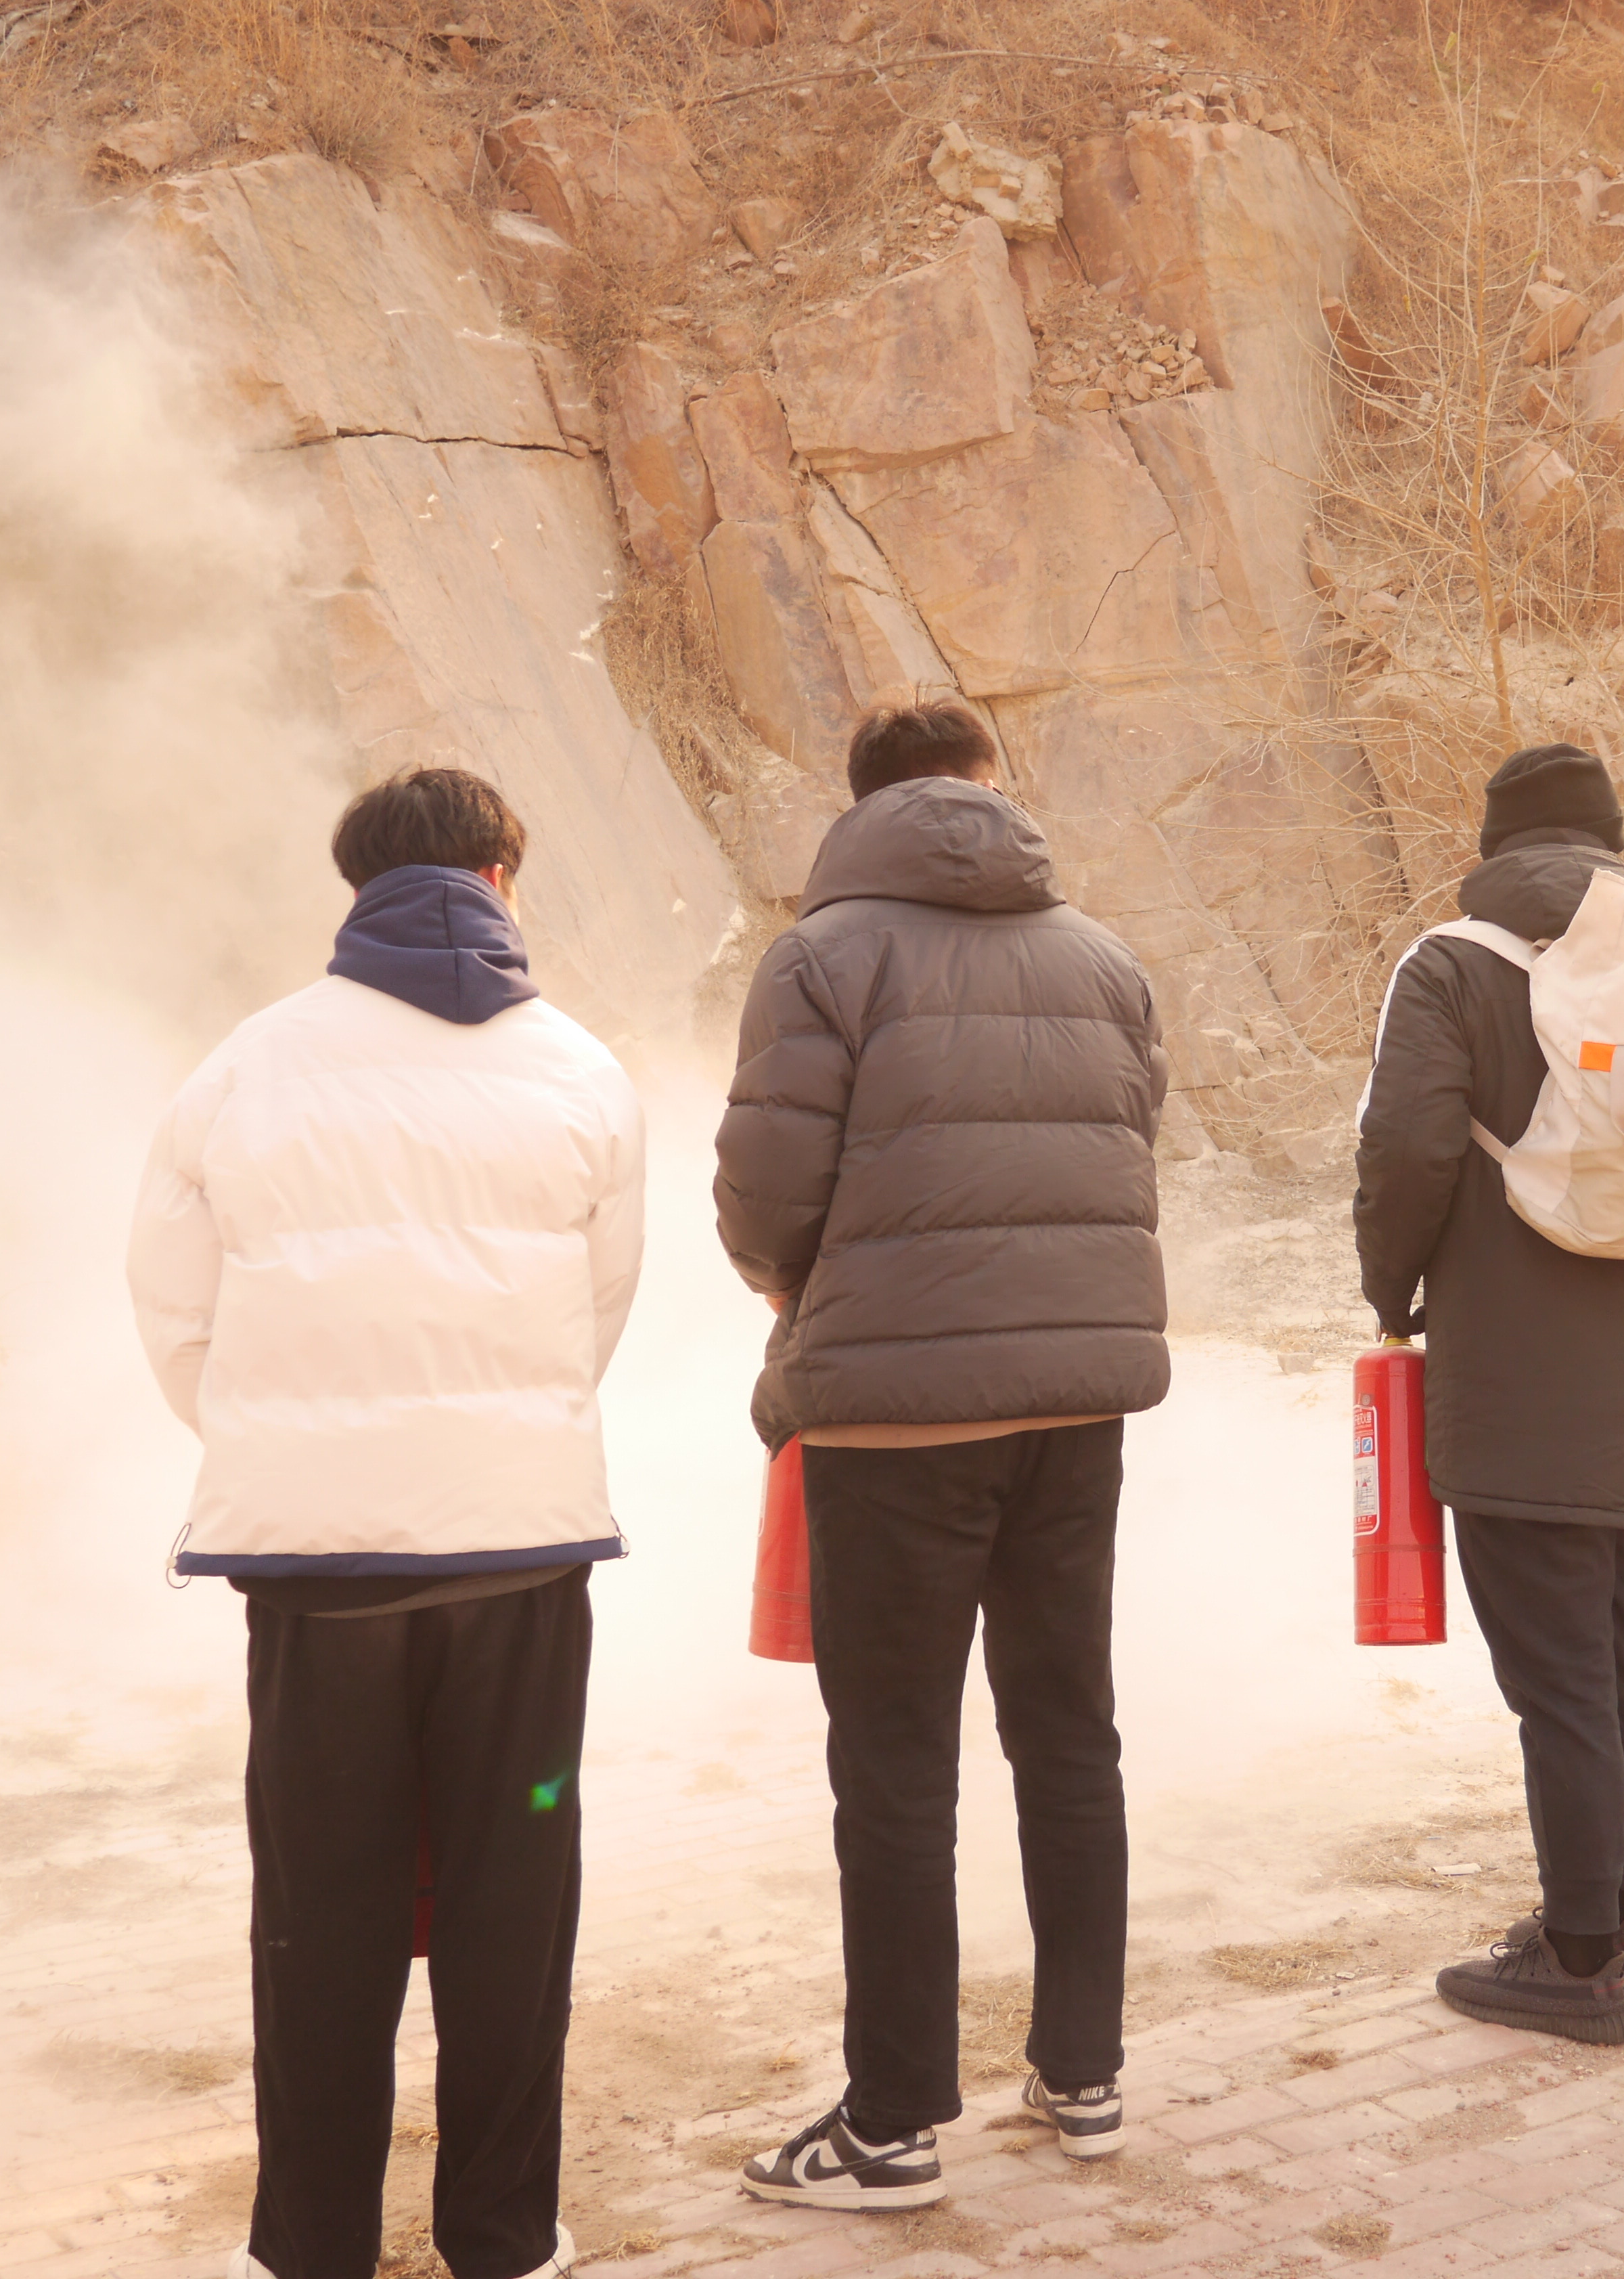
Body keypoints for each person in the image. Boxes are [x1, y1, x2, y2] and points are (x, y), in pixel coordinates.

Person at [130, 767, 644, 2279]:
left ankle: (310, 2247)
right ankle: (503, 2236)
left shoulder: (244, 1066)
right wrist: (496, 1438)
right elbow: (597, 1311)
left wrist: (294, 1446)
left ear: (356, 888)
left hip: (317, 1575)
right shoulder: (581, 1068)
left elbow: (174, 1312)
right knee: (514, 1900)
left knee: (319, 1913)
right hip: (520, 1560)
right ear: (502, 878)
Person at [714, 702, 1169, 2206]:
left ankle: (894, 2120)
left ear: (863, 805)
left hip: (895, 1422)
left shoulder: (821, 958)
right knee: (1071, 1735)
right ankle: (1085, 2072)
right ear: (989, 791)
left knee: (899, 1767)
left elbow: (766, 1190)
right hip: (1075, 1409)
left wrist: (798, 1292)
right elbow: (1128, 1138)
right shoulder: (1100, 955)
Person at [1353, 744, 1624, 2047]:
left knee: (1559, 1681)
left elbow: (1406, 1148)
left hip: (1521, 1381)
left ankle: (1575, 1963)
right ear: (1610, 841)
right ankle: (1622, 1925)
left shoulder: (1451, 966)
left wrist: (1391, 1291)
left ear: (1493, 843)